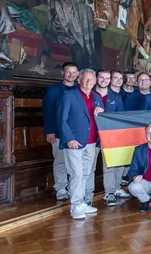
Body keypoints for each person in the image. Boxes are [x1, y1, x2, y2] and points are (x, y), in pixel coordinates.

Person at [58, 69, 103, 219]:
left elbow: (101, 119)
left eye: (91, 79)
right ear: (79, 80)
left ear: (95, 81)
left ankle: (82, 202)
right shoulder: (69, 95)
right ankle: (76, 205)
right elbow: (61, 119)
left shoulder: (97, 97)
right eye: (86, 79)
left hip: (91, 142)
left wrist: (101, 112)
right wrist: (69, 138)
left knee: (85, 173)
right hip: (74, 143)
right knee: (76, 174)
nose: (88, 82)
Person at [43, 62, 78, 201]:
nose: (71, 75)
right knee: (60, 161)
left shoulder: (79, 89)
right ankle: (61, 188)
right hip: (58, 133)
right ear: (63, 73)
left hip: (76, 133)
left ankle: (73, 188)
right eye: (68, 72)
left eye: (74, 72)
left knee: (75, 164)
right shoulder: (53, 90)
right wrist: (49, 131)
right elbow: (48, 111)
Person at [92, 70, 129, 207]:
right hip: (91, 136)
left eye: (107, 78)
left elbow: (120, 117)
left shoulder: (116, 96)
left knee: (110, 165)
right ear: (96, 78)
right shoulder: (90, 94)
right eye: (101, 77)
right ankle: (86, 195)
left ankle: (110, 193)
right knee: (90, 167)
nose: (104, 80)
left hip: (110, 136)